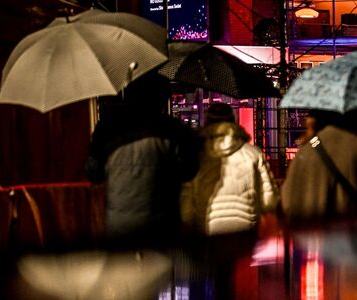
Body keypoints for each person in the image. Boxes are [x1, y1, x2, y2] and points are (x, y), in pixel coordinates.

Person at [85, 73, 199, 246]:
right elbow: (189, 170)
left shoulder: (107, 127)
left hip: (120, 225)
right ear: (161, 97)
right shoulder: (173, 129)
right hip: (163, 224)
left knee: (124, 271)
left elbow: (94, 174)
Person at [179, 102, 279, 236]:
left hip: (207, 226)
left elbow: (187, 199)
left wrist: (187, 222)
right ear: (234, 121)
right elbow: (269, 200)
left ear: (207, 122)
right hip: (246, 226)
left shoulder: (197, 154)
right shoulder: (253, 154)